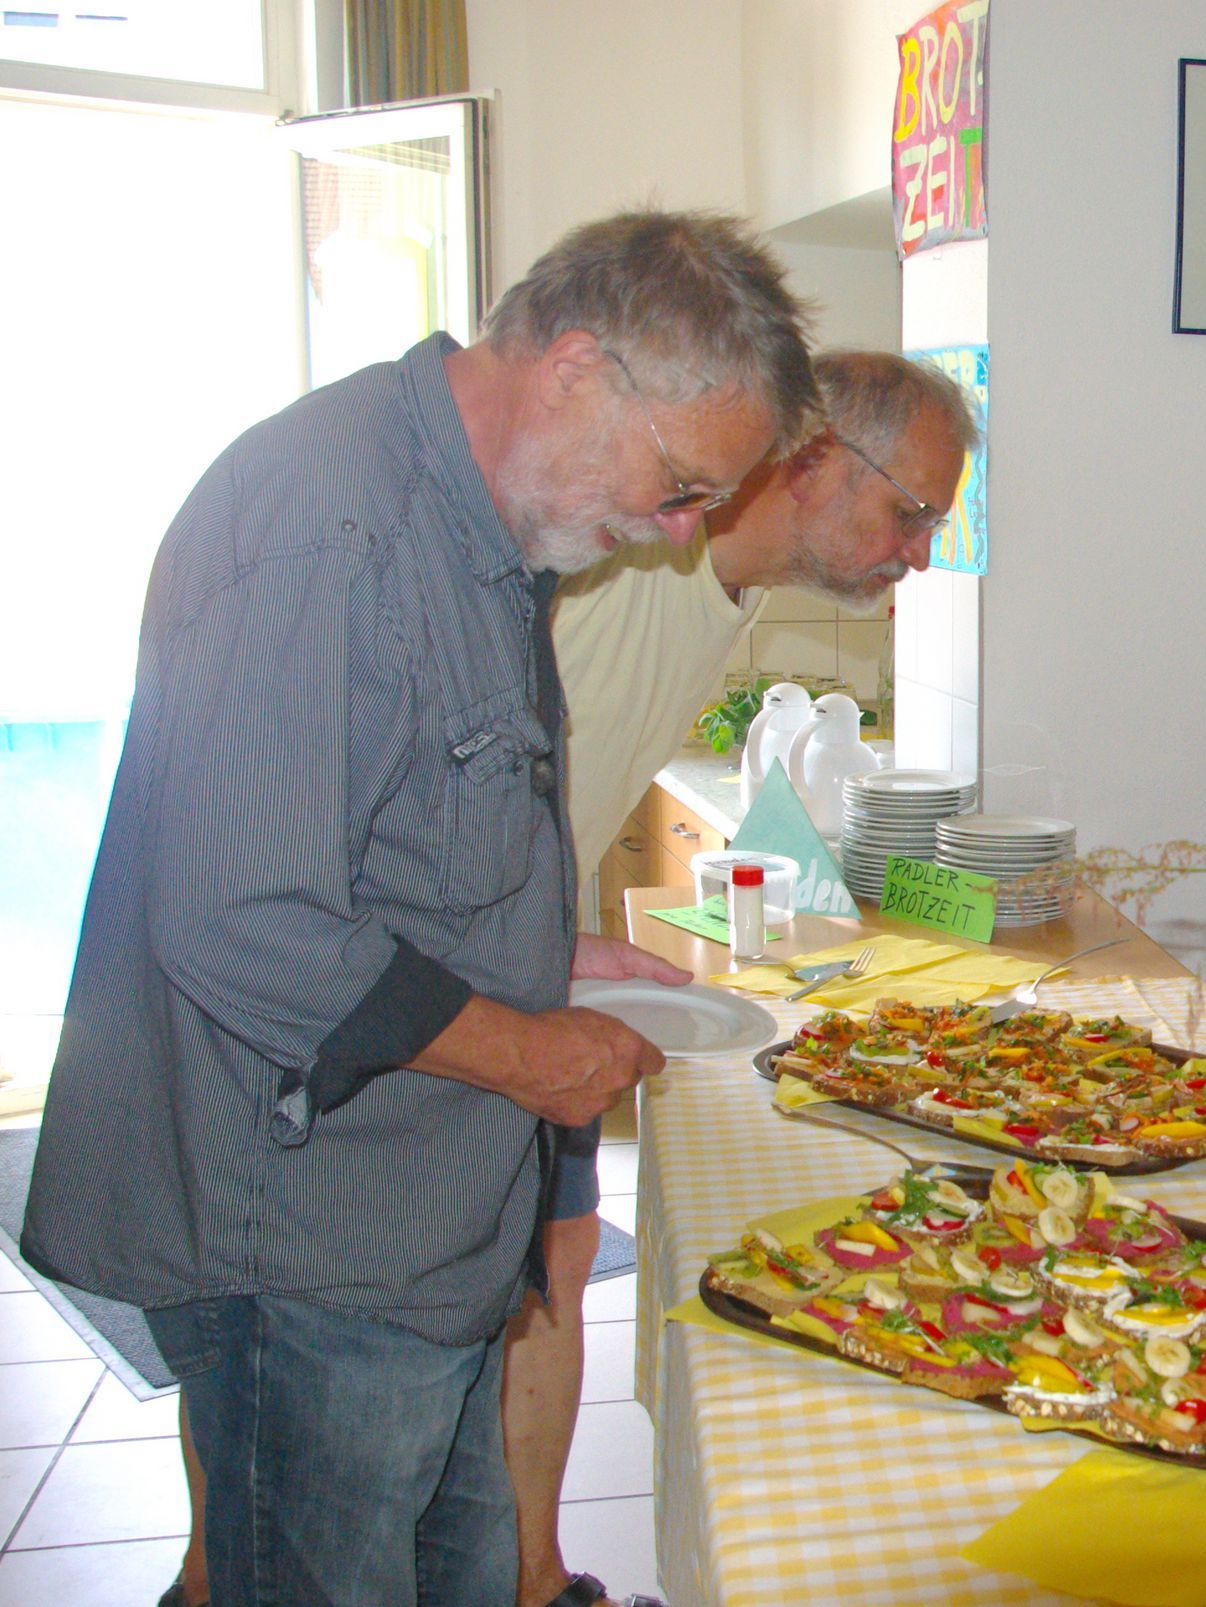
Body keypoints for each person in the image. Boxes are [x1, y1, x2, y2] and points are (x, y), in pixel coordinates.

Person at [22, 208, 813, 1607]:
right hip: (307, 1234)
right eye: (685, 484)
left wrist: (536, 950)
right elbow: (238, 908)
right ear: (576, 368)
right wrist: (523, 1046)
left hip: (422, 1228)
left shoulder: (488, 522)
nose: (684, 530)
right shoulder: (328, 525)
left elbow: (381, 833)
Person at [501, 350, 974, 1607]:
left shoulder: (730, 588)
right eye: (912, 511)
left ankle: (535, 1582)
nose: (919, 551)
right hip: (444, 983)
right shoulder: (617, 564)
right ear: (815, 457)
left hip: (516, 957)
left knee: (555, 1255)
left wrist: (546, 937)